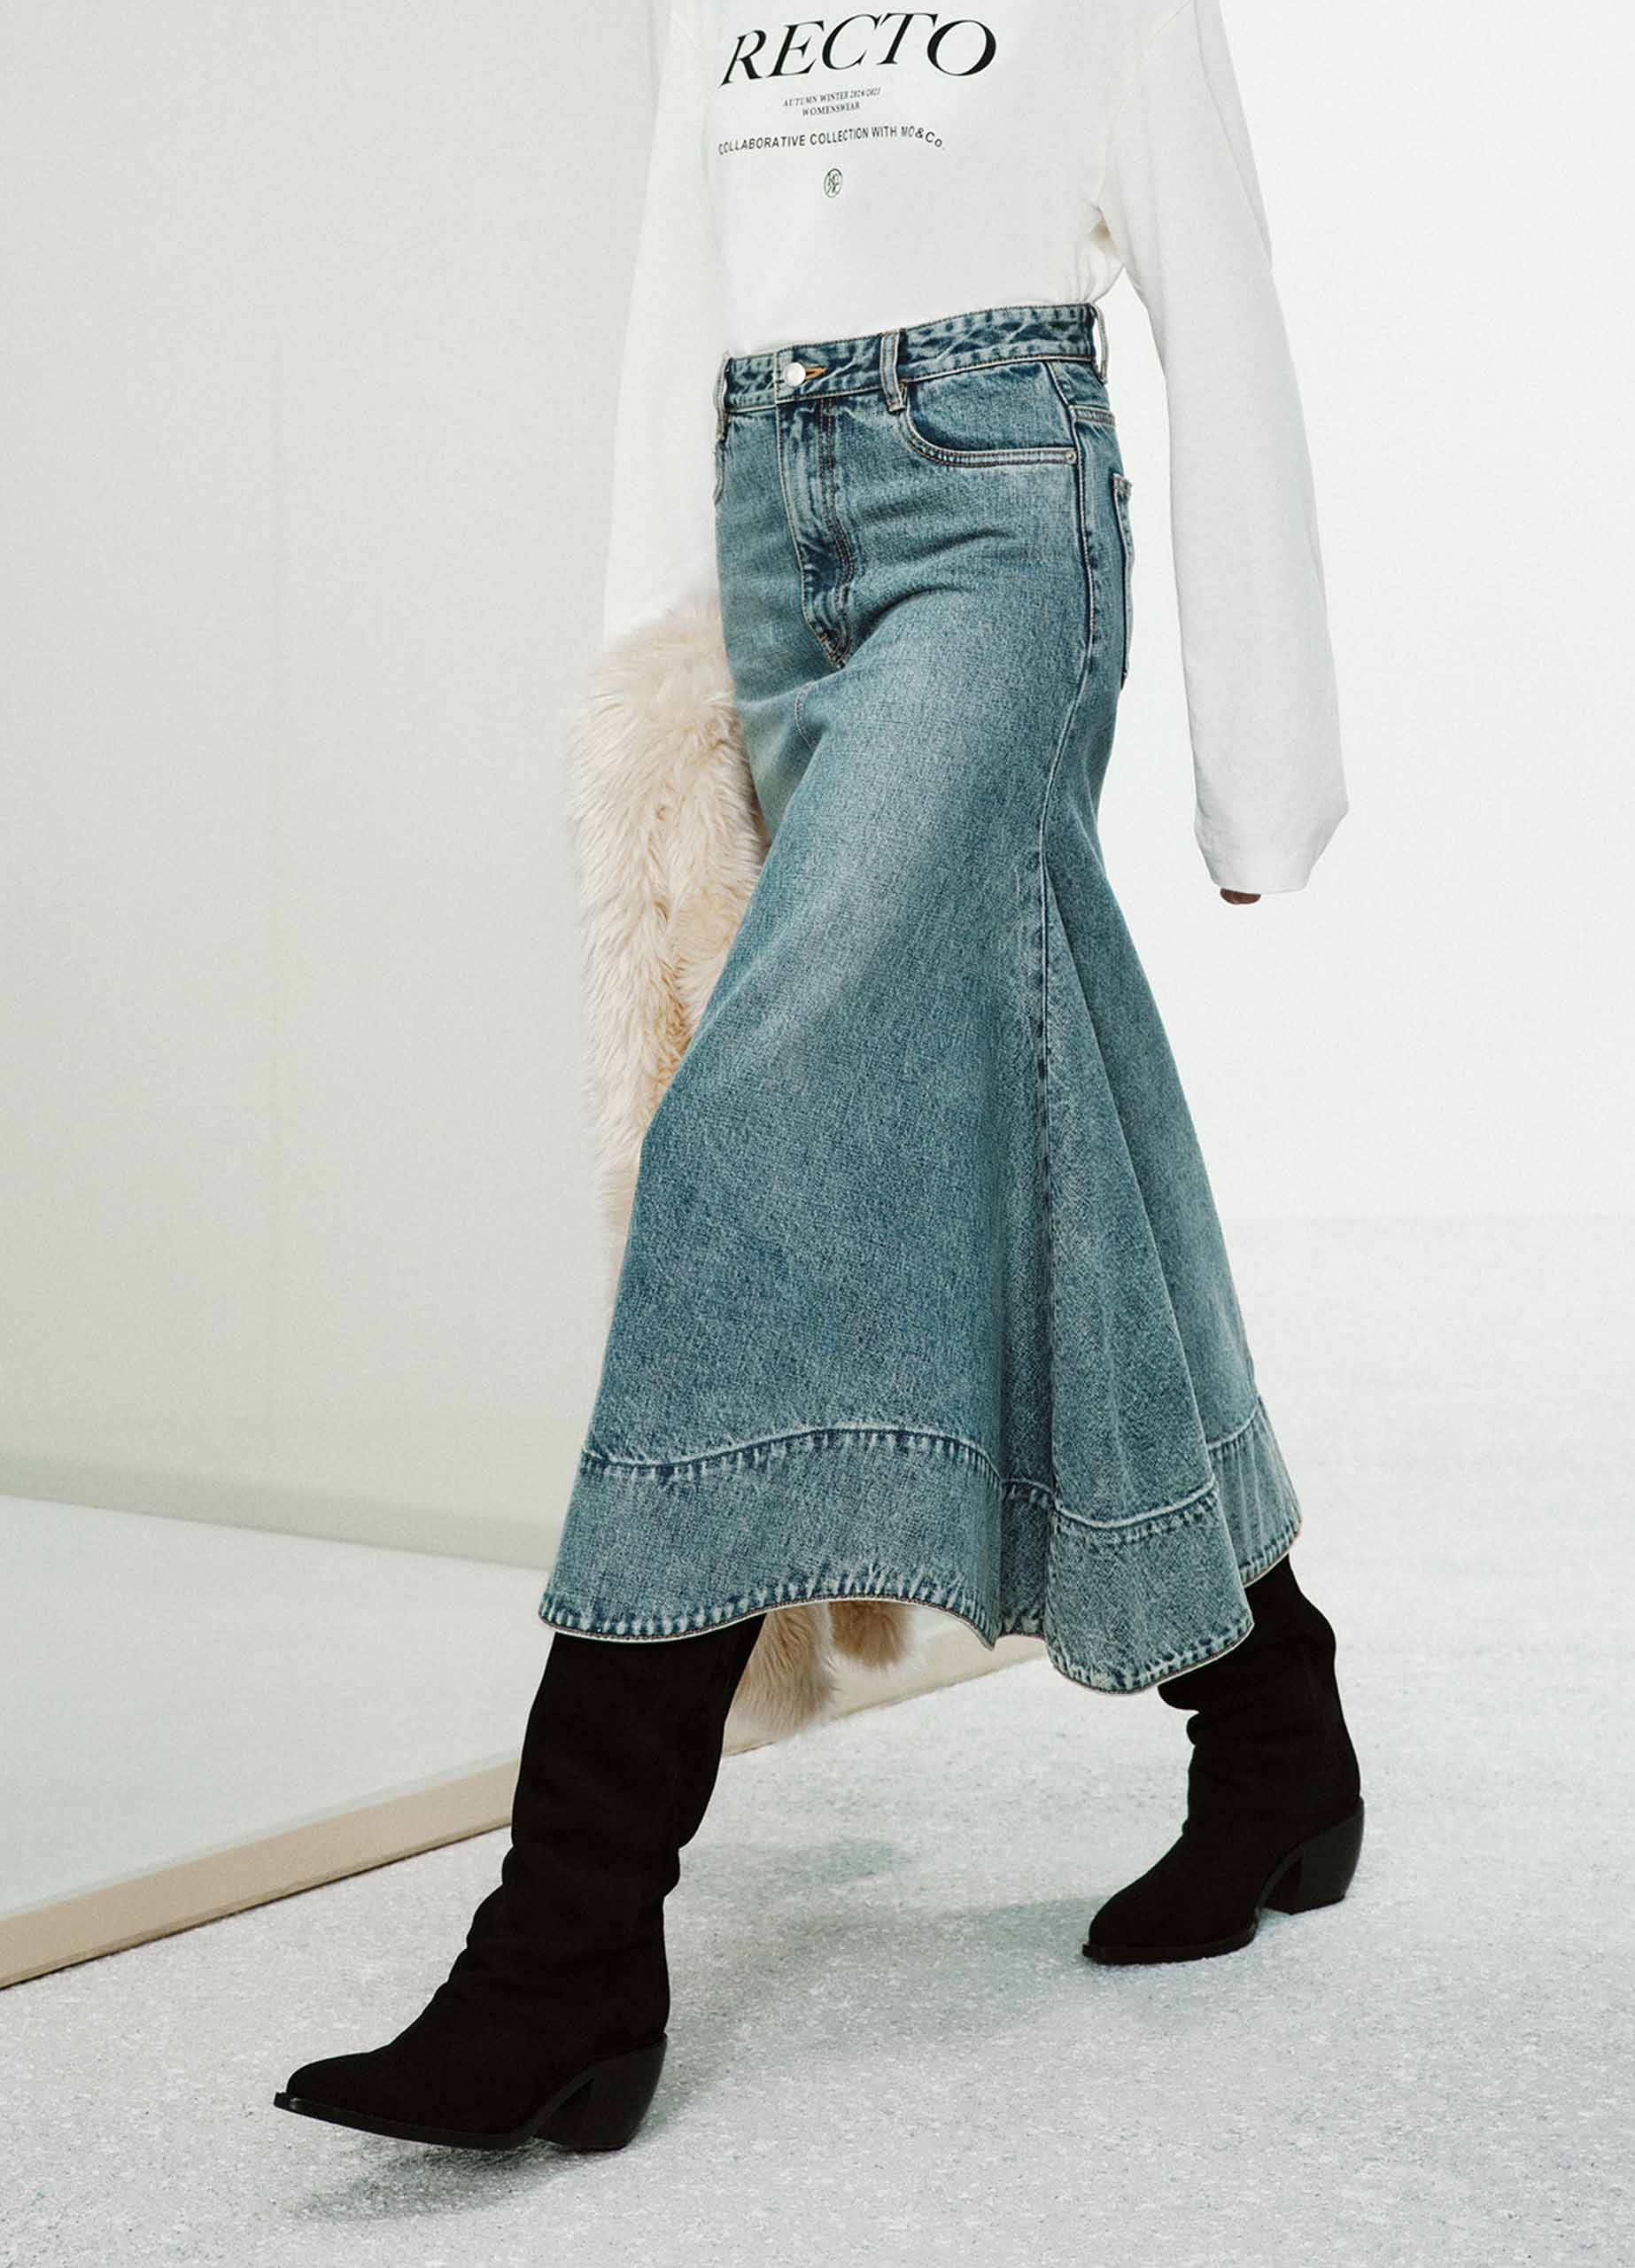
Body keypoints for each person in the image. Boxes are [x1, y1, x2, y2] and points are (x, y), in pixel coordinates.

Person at [275, 0, 1365, 2154]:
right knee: (1057, 1118)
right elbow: (677, 299)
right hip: (775, 534)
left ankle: (572, 1926)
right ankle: (1274, 1716)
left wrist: (1270, 765)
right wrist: (645, 693)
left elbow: (1223, 308)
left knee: (744, 1142)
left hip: (997, 517)